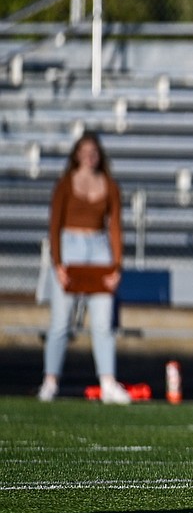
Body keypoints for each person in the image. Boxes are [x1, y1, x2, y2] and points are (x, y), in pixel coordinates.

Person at [38, 131, 130, 404]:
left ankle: (108, 382)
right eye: (84, 151)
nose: (89, 157)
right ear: (76, 154)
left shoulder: (110, 185)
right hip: (70, 247)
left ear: (99, 155)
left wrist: (116, 266)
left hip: (99, 249)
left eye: (94, 152)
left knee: (102, 323)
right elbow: (54, 225)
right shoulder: (65, 184)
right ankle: (50, 381)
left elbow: (114, 227)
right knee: (60, 322)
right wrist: (58, 263)